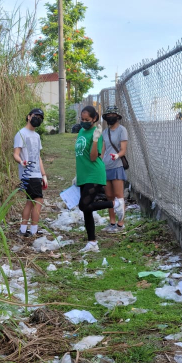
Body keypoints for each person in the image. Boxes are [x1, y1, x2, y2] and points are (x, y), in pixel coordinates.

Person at [74, 106, 119, 253]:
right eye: (82, 119)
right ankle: (92, 242)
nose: (84, 122)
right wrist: (77, 175)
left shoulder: (96, 133)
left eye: (87, 120)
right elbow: (81, 154)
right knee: (87, 211)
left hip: (94, 174)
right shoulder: (81, 131)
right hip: (83, 174)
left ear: (94, 119)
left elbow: (94, 157)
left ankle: (114, 203)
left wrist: (95, 140)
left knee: (84, 206)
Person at [13, 108, 48, 237]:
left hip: (36, 174)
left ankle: (23, 230)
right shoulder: (21, 133)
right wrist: (21, 162)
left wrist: (43, 175)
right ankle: (33, 231)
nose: (37, 119)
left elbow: (38, 156)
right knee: (38, 201)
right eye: (35, 116)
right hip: (28, 173)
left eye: (40, 117)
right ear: (28, 117)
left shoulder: (37, 136)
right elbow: (16, 154)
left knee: (30, 201)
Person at [100, 106, 128, 232]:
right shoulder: (105, 132)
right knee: (109, 196)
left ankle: (120, 223)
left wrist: (117, 155)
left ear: (117, 116)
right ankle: (111, 222)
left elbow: (123, 150)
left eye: (113, 114)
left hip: (117, 166)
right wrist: (99, 164)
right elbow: (103, 150)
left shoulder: (122, 130)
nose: (110, 117)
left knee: (119, 196)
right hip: (105, 167)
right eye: (108, 115)